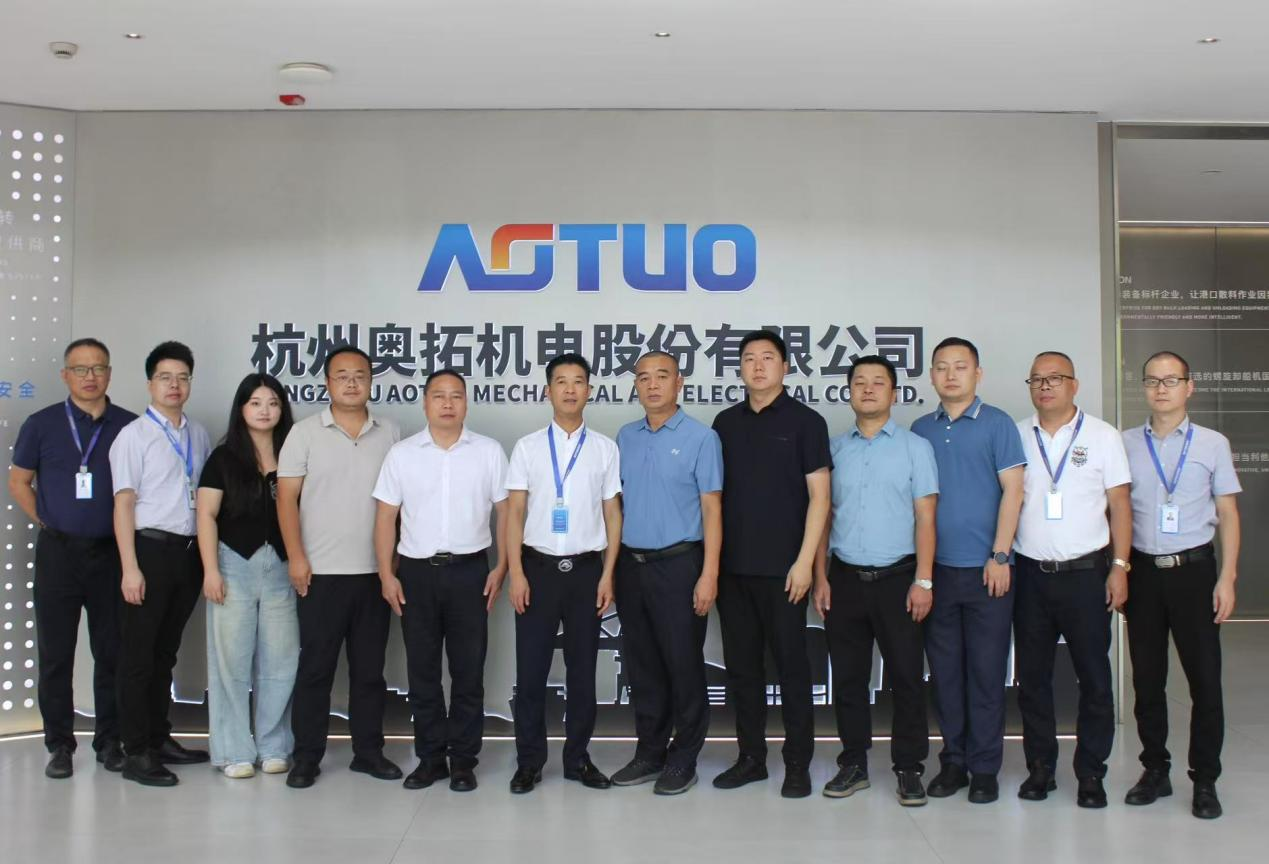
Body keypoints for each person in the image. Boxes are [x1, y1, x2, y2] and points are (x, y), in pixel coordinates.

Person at [373, 369, 509, 793]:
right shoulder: (402, 454)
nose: (447, 403)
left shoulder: (488, 452)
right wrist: (386, 573)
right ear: (425, 402)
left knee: (468, 671)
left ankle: (464, 761)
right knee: (423, 670)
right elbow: (386, 517)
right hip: (416, 573)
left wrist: (503, 566)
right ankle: (430, 758)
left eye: (456, 396)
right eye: (439, 396)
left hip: (471, 572)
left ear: (466, 402)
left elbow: (506, 513)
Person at [711, 330, 831, 799]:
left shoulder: (806, 422)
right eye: (749, 359)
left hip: (786, 572)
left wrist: (805, 564)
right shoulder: (725, 423)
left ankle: (797, 763)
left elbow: (820, 499)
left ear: (785, 367)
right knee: (743, 670)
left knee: (791, 669)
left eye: (767, 358)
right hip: (733, 572)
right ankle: (751, 759)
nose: (758, 366)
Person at [9, 338, 136, 779]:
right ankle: (59, 745)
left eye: (98, 368)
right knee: (56, 655)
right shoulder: (41, 424)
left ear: (110, 374)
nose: (89, 376)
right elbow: (19, 481)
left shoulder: (129, 426)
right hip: (59, 554)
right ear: (65, 375)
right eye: (80, 369)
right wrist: (46, 520)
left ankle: (110, 742)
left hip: (111, 553)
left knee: (112, 652)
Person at [813, 354, 937, 806]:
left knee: (906, 677)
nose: (868, 389)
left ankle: (909, 767)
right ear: (848, 392)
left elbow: (926, 517)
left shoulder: (915, 448)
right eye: (859, 382)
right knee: (848, 678)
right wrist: (820, 576)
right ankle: (853, 764)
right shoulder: (834, 450)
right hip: (844, 578)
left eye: (878, 382)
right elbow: (823, 517)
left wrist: (924, 581)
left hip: (899, 579)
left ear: (894, 393)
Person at [1121, 351, 1240, 820]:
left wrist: (1227, 577)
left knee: (1204, 680)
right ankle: (1155, 770)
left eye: (1171, 380)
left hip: (1195, 572)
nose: (1161, 388)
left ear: (1189, 387)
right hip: (1143, 573)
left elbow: (1228, 513)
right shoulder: (1126, 443)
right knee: (1147, 680)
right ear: (1144, 388)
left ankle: (1205, 779)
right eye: (1153, 381)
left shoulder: (1212, 443)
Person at [277, 345, 402, 789]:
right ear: (327, 383)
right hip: (320, 573)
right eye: (342, 375)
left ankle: (368, 752)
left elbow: (399, 501)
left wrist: (392, 564)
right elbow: (286, 499)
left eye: (360, 375)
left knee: (369, 671)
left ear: (371, 381)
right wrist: (296, 557)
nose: (352, 382)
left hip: (373, 573)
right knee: (316, 670)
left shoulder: (390, 432)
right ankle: (306, 757)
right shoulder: (304, 433)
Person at [1012, 350, 1131, 809]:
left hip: (1086, 575)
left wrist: (1120, 566)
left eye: (1055, 378)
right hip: (1030, 575)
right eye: (1037, 379)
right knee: (1033, 679)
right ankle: (1040, 767)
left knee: (1094, 678)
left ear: (1074, 385)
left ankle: (1091, 772)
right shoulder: (1017, 435)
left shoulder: (1102, 436)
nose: (1045, 386)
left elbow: (1120, 505)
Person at [910, 337, 1025, 804]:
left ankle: (984, 769)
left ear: (978, 374)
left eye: (960, 366)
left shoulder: (998, 424)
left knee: (985, 673)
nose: (950, 374)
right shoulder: (921, 429)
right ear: (931, 376)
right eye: (941, 367)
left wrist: (999, 556)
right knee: (945, 675)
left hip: (987, 573)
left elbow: (1014, 491)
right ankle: (953, 762)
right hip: (936, 573)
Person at [505, 353, 622, 794]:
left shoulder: (605, 448)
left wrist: (608, 574)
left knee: (582, 673)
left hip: (587, 572)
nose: (570, 389)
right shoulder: (528, 447)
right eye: (561, 381)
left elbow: (613, 514)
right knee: (531, 672)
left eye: (578, 382)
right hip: (537, 570)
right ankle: (529, 762)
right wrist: (516, 573)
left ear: (589, 390)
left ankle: (578, 760)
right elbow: (515, 513)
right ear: (548, 390)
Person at [611, 351, 723, 795]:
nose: (652, 385)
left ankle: (684, 758)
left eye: (662, 376)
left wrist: (709, 574)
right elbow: (617, 506)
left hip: (680, 565)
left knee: (683, 664)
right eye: (643, 378)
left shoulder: (701, 438)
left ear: (680, 382)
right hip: (632, 565)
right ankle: (649, 753)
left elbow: (712, 510)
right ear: (635, 386)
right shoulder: (625, 436)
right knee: (642, 665)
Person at [109, 340, 213, 786]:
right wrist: (130, 568)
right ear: (150, 383)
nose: (175, 385)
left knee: (165, 653)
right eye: (166, 377)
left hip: (187, 555)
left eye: (182, 377)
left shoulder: (198, 433)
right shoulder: (133, 436)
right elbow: (123, 504)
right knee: (138, 656)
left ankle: (158, 737)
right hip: (148, 552)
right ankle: (135, 751)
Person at [196, 373, 298, 779]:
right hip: (233, 565)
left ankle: (274, 746)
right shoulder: (223, 458)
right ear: (241, 409)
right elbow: (206, 515)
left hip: (283, 568)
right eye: (255, 403)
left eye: (272, 403)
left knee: (281, 662)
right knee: (231, 664)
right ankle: (234, 751)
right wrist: (210, 570)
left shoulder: (294, 453)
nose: (264, 410)